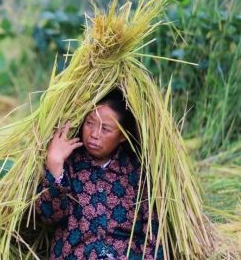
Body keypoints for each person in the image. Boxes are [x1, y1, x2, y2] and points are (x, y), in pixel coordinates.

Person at [35, 89, 161, 260]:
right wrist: (55, 165)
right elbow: (48, 216)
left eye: (106, 129)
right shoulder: (70, 165)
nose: (94, 135)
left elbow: (153, 232)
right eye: (90, 123)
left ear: (123, 136)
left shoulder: (137, 173)